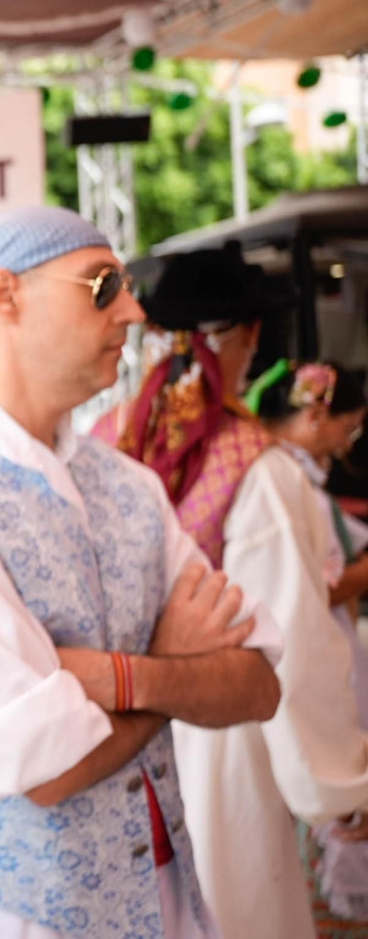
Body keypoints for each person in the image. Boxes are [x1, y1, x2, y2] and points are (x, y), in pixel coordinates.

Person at [0, 208, 284, 939]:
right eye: (102, 284)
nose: (134, 311)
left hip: (168, 897)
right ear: (5, 296)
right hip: (12, 916)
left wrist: (120, 680)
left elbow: (258, 685)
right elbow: (46, 770)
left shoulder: (128, 483)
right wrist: (172, 665)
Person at [92, 247, 368, 939]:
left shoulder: (104, 443)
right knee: (234, 900)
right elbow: (295, 644)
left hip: (109, 740)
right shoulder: (259, 470)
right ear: (249, 335)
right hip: (221, 733)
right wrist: (339, 785)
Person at [250, 361, 368, 932]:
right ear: (316, 413)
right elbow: (313, 591)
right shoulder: (279, 483)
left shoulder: (290, 478)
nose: (349, 440)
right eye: (349, 425)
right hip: (298, 661)